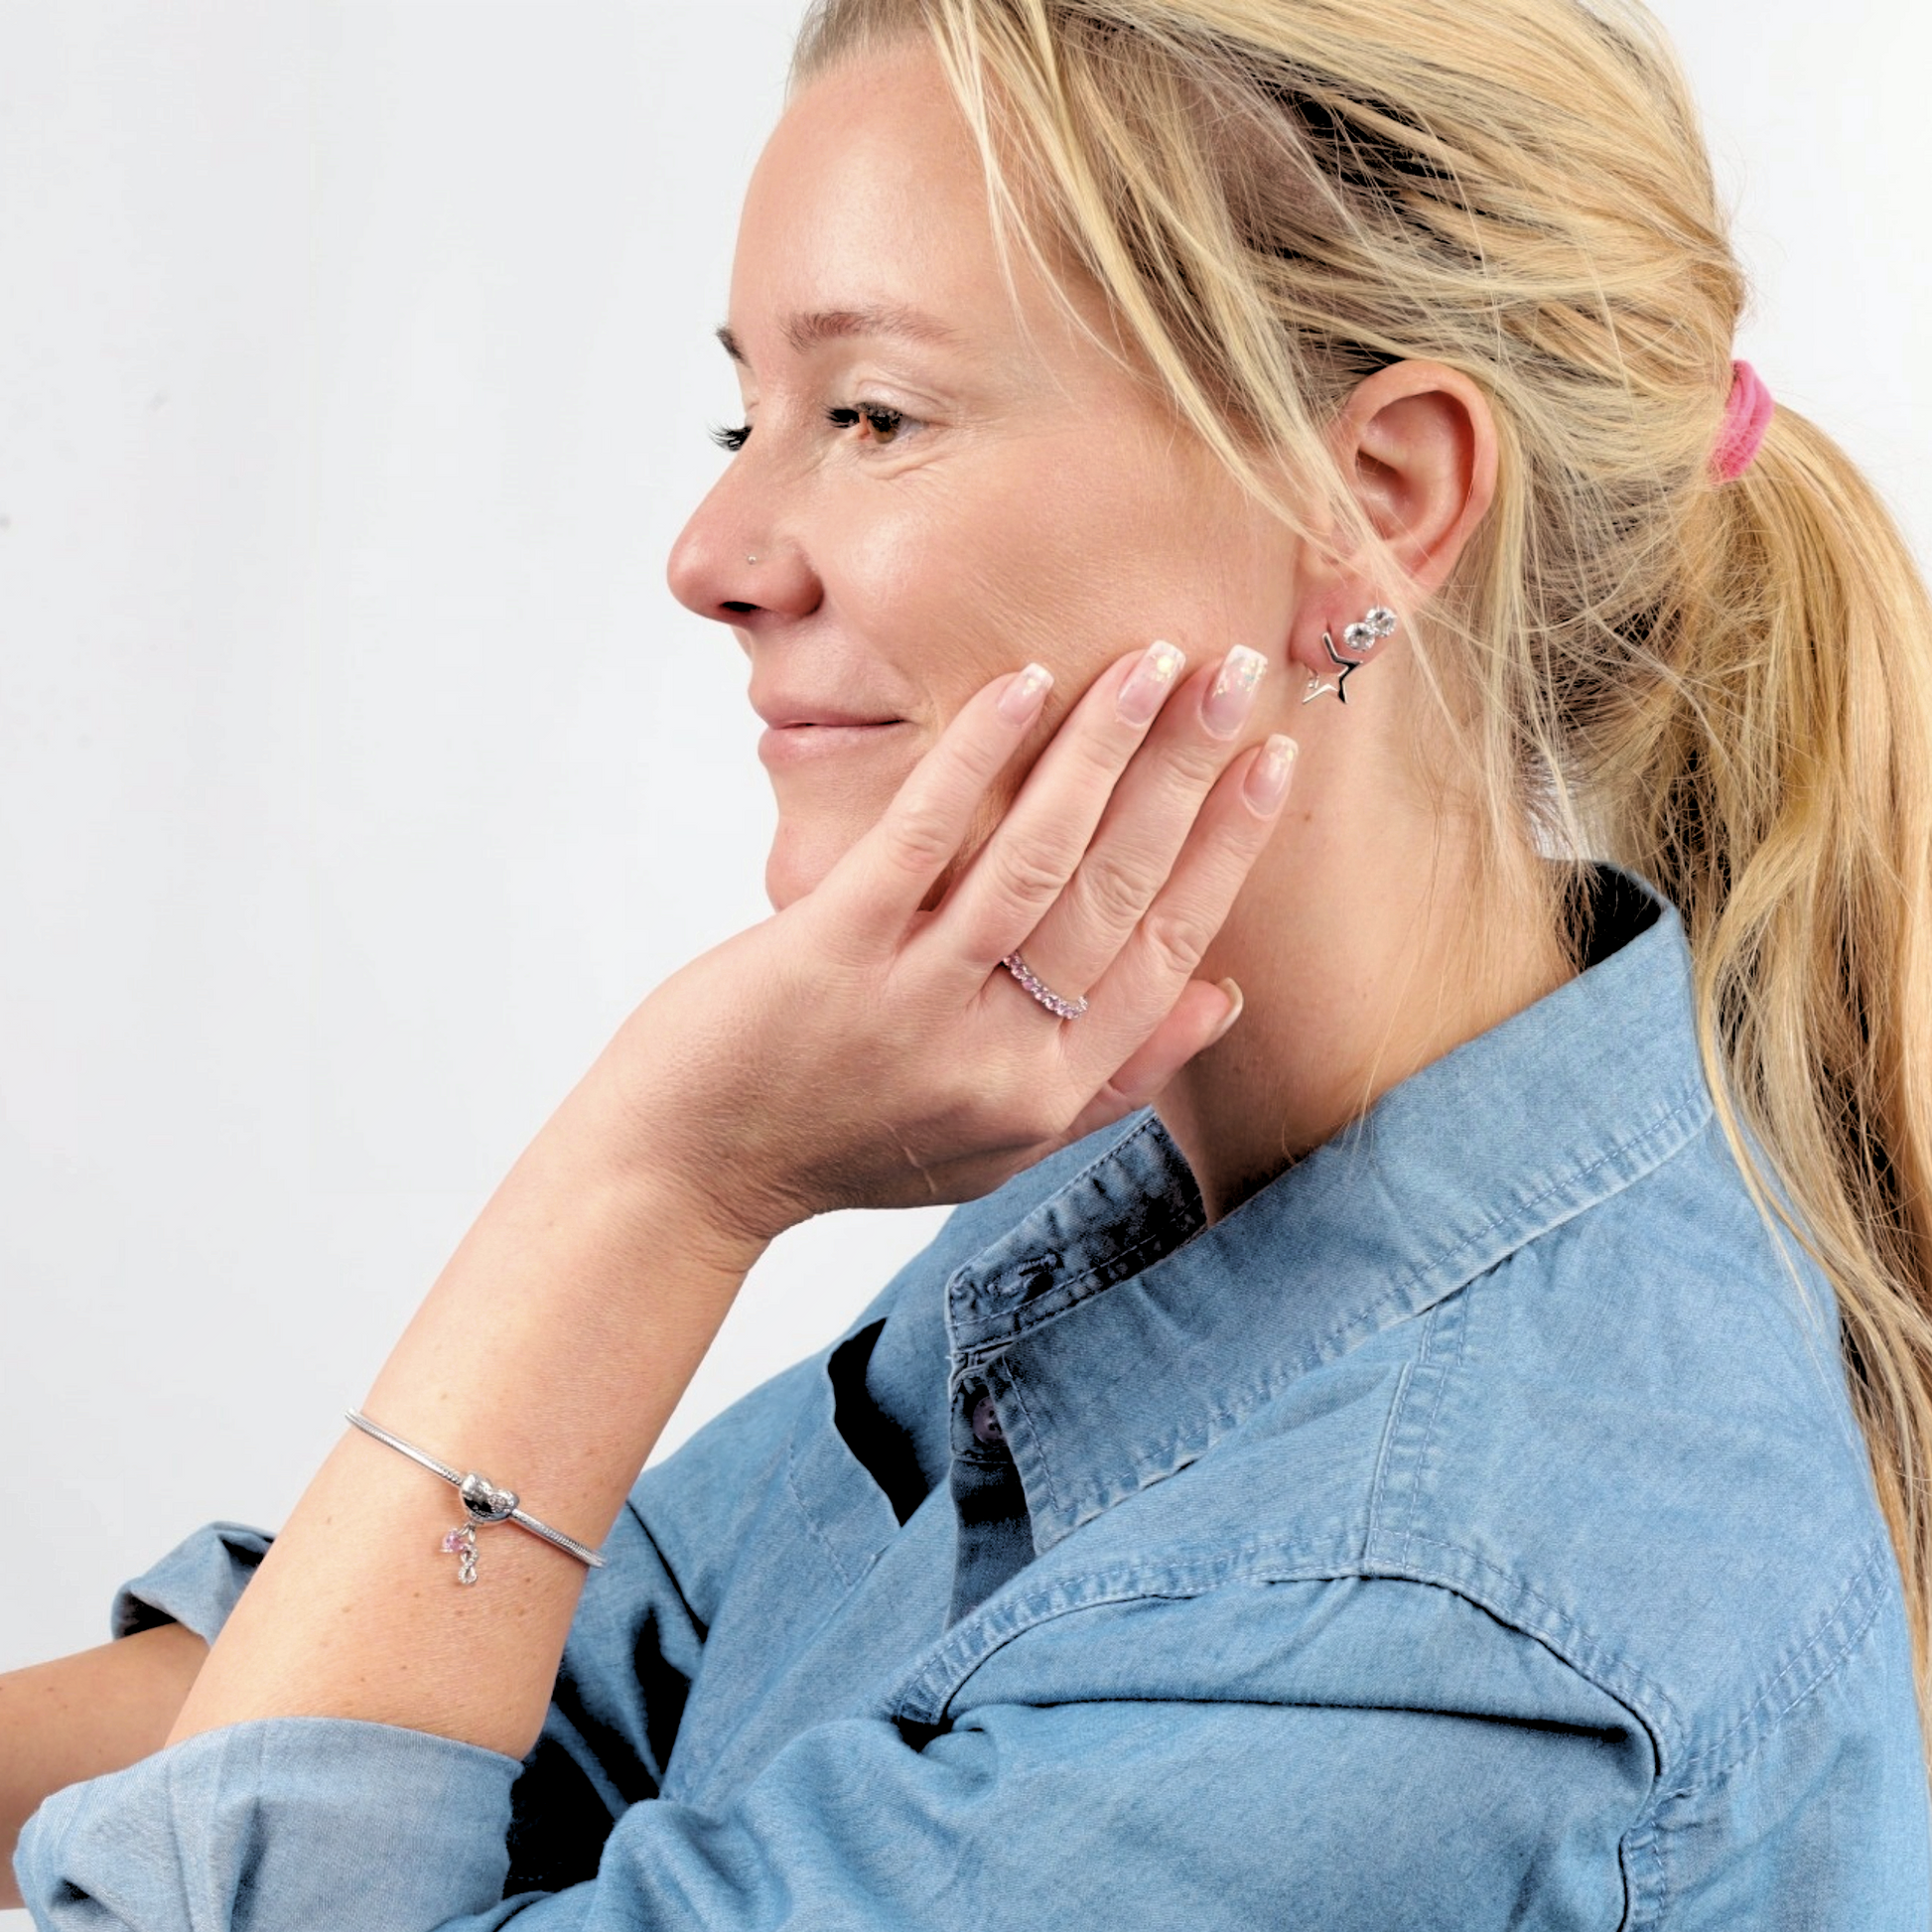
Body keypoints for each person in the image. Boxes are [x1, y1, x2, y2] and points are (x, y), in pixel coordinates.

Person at [7, 0, 1932, 1922]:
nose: (713, 548)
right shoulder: (1175, 1200)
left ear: (1379, 500)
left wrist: (650, 1182)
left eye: (868, 416)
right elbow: (536, 1702)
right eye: (738, 414)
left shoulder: (1418, 1635)